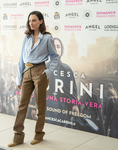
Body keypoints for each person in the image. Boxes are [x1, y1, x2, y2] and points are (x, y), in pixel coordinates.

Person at [8, 11, 59, 147]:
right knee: (21, 105)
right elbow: (21, 59)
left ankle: (38, 134)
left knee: (40, 105)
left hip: (39, 72)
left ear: (41, 21)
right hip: (26, 71)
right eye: (30, 20)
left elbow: (55, 57)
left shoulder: (47, 38)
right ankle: (18, 137)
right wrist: (19, 79)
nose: (31, 23)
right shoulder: (27, 37)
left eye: (34, 20)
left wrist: (48, 72)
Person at [45, 38, 79, 127]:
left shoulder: (67, 69)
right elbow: (36, 88)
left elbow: (72, 89)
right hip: (46, 106)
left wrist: (75, 104)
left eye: (58, 46)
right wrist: (33, 105)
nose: (55, 49)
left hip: (63, 107)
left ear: (62, 50)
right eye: (53, 46)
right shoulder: (43, 67)